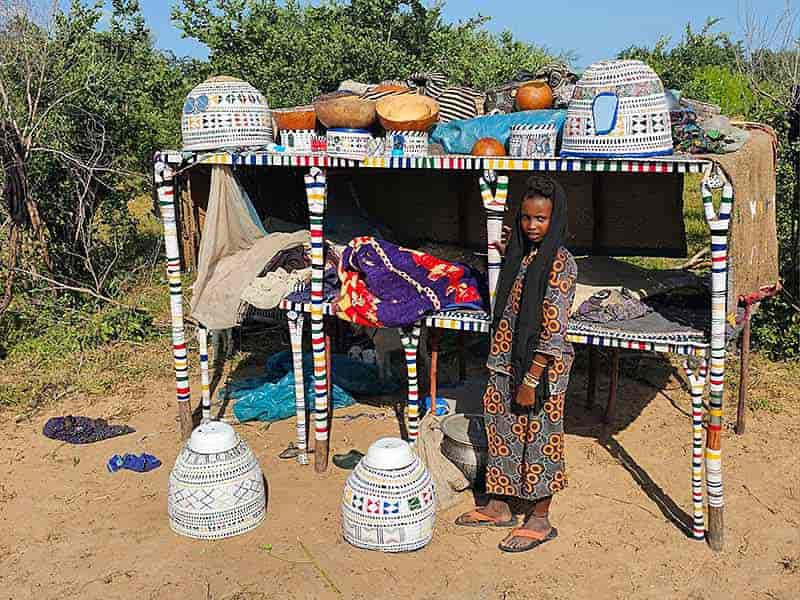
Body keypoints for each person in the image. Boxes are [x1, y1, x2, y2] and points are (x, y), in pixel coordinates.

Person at [456, 175, 577, 553]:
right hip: (504, 362)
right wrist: (512, 247)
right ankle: (500, 505)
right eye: (526, 218)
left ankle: (539, 517)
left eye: (541, 219)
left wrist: (531, 379)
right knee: (503, 433)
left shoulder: (561, 263)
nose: (532, 226)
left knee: (539, 437)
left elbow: (554, 328)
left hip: (538, 370)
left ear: (555, 219)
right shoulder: (523, 255)